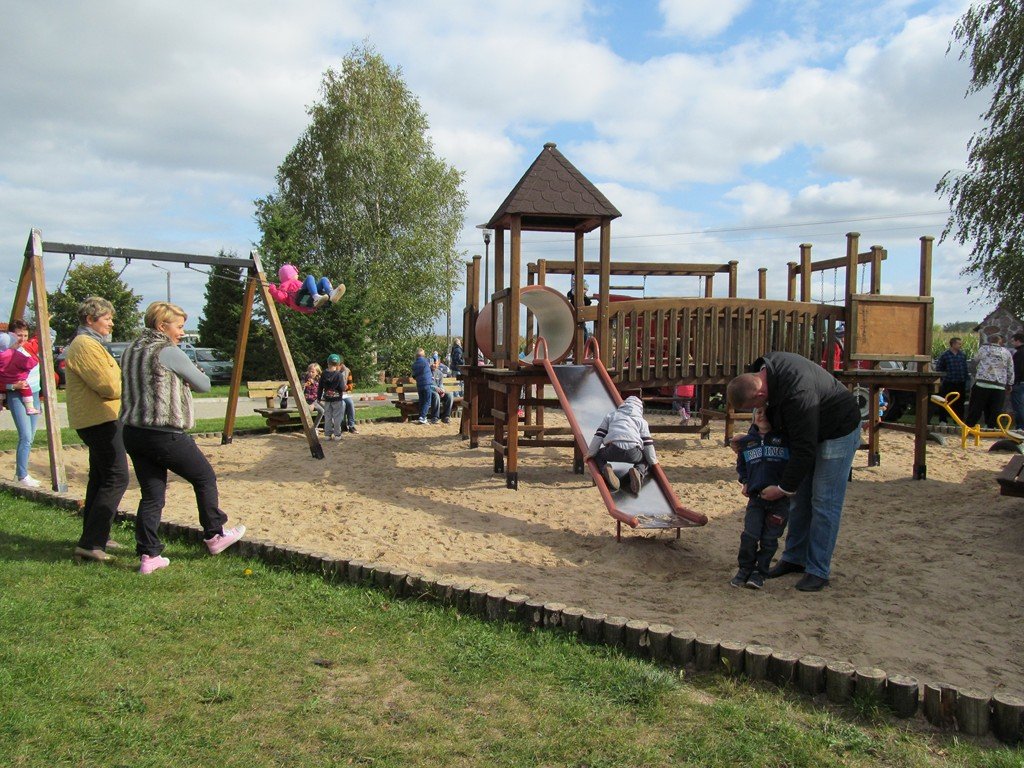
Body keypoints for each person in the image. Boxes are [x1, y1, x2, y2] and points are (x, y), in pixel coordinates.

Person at [120, 302, 245, 574]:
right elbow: (204, 385)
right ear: (161, 326)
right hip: (164, 431)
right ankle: (215, 534)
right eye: (178, 326)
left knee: (152, 494)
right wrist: (194, 376)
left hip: (133, 430)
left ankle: (148, 555)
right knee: (204, 477)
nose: (182, 332)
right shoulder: (167, 351)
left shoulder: (131, 350)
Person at [726, 351, 861, 592]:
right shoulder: (767, 375)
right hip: (809, 431)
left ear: (760, 393)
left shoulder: (798, 393)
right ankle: (794, 558)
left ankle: (818, 570)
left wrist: (782, 488)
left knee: (823, 500)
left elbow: (804, 448)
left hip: (838, 430)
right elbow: (768, 423)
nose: (757, 410)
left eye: (754, 405)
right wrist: (749, 440)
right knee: (800, 498)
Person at [63, 297, 130, 563]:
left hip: (100, 418)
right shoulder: (84, 344)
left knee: (101, 477)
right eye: (107, 318)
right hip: (99, 419)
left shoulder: (91, 343)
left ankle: (96, 536)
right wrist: (120, 376)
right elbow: (109, 386)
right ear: (90, 320)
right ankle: (91, 543)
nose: (111, 323)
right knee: (117, 477)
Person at [729, 407, 790, 590]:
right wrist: (745, 481)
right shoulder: (748, 442)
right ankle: (744, 569)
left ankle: (760, 572)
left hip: (780, 500)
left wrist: (784, 488)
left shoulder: (785, 440)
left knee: (770, 539)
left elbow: (793, 466)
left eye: (765, 412)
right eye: (757, 412)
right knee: (749, 535)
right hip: (756, 498)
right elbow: (742, 466)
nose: (761, 415)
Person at [585, 396, 658, 495]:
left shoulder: (611, 416)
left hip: (613, 450)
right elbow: (648, 443)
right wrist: (653, 461)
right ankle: (638, 472)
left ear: (624, 405)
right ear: (640, 409)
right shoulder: (642, 421)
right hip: (633, 452)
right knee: (645, 458)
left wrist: (591, 453)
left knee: (598, 455)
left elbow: (599, 435)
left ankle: (606, 469)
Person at [1, 320, 43, 487]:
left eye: (25, 335)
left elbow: (45, 337)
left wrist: (45, 323)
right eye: (19, 335)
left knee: (31, 436)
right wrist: (13, 386)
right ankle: (22, 475)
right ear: (11, 335)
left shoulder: (29, 349)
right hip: (17, 395)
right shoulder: (6, 353)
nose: (22, 338)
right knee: (25, 435)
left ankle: (22, 472)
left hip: (33, 393)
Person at [964, 333, 1014, 430]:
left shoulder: (983, 349)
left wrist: (976, 373)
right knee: (995, 409)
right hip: (999, 386)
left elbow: (974, 361)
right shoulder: (1006, 352)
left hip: (982, 383)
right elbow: (1010, 369)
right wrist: (1010, 383)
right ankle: (991, 427)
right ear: (1000, 341)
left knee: (976, 407)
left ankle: (969, 426)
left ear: (990, 340)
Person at [266, 264, 345, 314]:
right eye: (296, 273)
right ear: (291, 274)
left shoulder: (296, 282)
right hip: (300, 299)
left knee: (323, 279)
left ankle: (332, 294)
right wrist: (273, 289)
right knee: (310, 277)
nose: (297, 274)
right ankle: (316, 297)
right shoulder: (285, 285)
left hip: (307, 300)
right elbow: (281, 297)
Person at [317, 354, 354, 439]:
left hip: (327, 399)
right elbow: (342, 388)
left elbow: (320, 387)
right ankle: (337, 435)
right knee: (337, 417)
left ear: (328, 363)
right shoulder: (339, 375)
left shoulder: (324, 374)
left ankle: (327, 435)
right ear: (338, 364)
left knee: (328, 417)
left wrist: (319, 397)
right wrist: (344, 387)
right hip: (337, 399)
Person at [933, 337, 969, 424]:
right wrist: (941, 380)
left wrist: (966, 379)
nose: (960, 345)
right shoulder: (945, 355)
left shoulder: (962, 355)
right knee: (945, 401)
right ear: (953, 344)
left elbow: (965, 368)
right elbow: (939, 368)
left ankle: (958, 420)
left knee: (960, 402)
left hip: (960, 382)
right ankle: (943, 420)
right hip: (948, 382)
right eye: (958, 343)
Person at [302, 362, 325, 432]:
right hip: (307, 401)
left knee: (324, 410)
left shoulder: (318, 380)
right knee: (317, 410)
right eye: (309, 371)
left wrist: (314, 383)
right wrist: (304, 386)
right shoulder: (306, 379)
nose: (310, 373)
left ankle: (314, 427)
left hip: (314, 400)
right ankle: (310, 428)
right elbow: (303, 393)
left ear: (317, 373)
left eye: (312, 372)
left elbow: (317, 393)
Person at [411, 348, 433, 425]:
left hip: (419, 384)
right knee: (427, 401)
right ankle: (423, 417)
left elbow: (413, 375)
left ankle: (422, 416)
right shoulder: (426, 362)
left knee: (422, 401)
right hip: (427, 383)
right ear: (423, 355)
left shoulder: (414, 364)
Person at [429, 358, 453, 424]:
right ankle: (435, 417)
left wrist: (442, 390)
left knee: (450, 395)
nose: (434, 365)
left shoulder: (439, 373)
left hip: (439, 391)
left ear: (438, 364)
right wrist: (435, 388)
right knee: (436, 395)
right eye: (432, 363)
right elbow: (427, 384)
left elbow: (441, 384)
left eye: (435, 363)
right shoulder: (427, 372)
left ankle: (446, 416)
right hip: (430, 392)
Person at [1011, 333, 1024, 429]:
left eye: (1013, 341)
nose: (1012, 343)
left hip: (1020, 382)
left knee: (1018, 406)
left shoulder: (1019, 353)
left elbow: (1017, 369)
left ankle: (1021, 427)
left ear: (1018, 341)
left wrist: (1013, 381)